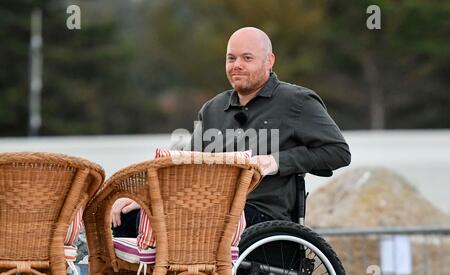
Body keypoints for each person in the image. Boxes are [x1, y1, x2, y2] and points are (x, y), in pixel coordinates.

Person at [111, 26, 351, 234]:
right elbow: (186, 169)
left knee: (194, 217)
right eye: (231, 58)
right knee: (126, 218)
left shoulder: (297, 102)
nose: (236, 65)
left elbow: (338, 152)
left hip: (261, 217)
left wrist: (276, 161)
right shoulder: (213, 109)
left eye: (247, 58)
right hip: (207, 208)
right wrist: (146, 196)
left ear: (269, 61)